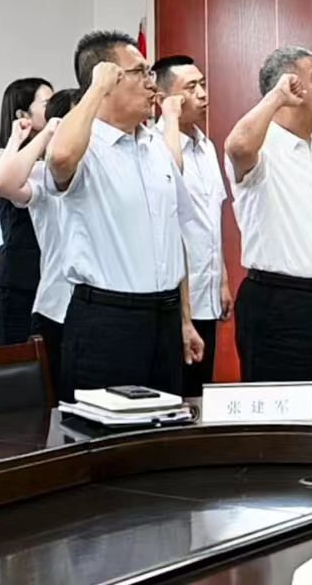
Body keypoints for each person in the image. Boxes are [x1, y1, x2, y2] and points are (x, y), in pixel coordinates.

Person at [37, 32, 202, 397]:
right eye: (139, 72)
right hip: (107, 320)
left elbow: (173, 235)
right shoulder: (84, 144)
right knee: (105, 430)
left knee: (165, 424)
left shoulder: (156, 146)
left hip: (164, 316)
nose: (151, 84)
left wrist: (184, 319)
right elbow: (60, 159)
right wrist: (95, 89)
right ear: (107, 78)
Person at [224, 45, 312, 394]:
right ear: (290, 86)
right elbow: (237, 147)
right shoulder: (261, 147)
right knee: (282, 417)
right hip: (281, 306)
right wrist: (275, 98)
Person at [0, 88, 74, 394]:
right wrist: (48, 131)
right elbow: (2, 180)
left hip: (71, 294)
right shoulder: (38, 170)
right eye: (44, 103)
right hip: (26, 282)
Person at [154, 55, 229, 398]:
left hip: (207, 293)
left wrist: (223, 279)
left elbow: (212, 219)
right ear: (164, 98)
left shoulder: (207, 146)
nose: (202, 94)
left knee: (200, 394)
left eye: (203, 84)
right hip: (174, 299)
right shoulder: (156, 146)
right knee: (174, 395)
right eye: (191, 87)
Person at [0, 78, 52, 347]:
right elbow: (4, 182)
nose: (54, 110)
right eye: (47, 103)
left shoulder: (55, 156)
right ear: (22, 114)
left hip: (48, 277)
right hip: (18, 280)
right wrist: (24, 137)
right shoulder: (3, 156)